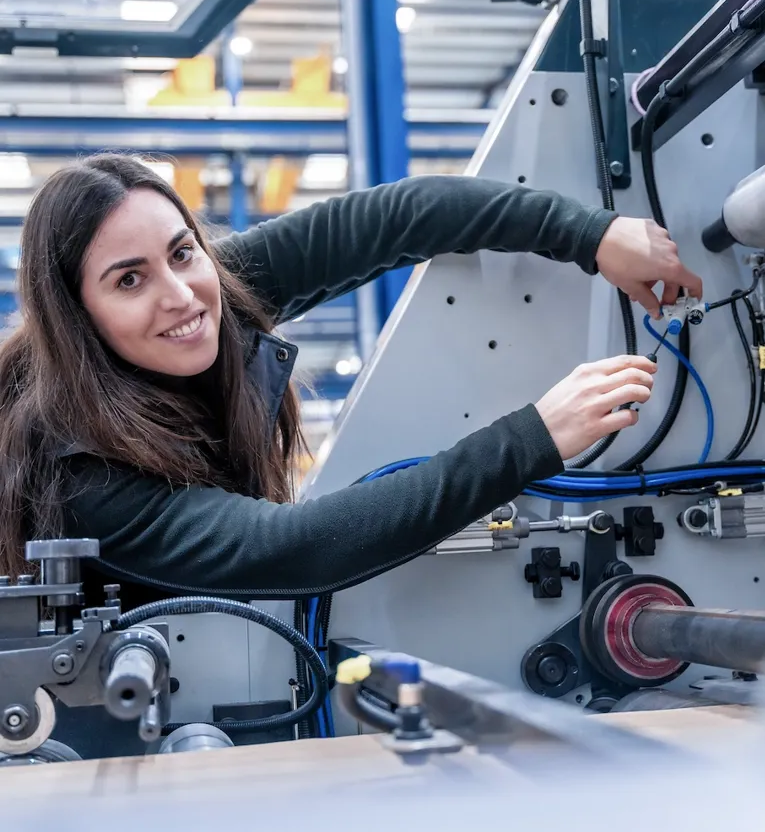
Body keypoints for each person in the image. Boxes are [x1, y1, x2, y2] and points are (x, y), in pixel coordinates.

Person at [0, 154, 702, 609]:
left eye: (183, 251)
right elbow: (293, 546)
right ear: (78, 316)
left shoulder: (212, 289)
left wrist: (589, 234)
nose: (180, 294)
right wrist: (533, 437)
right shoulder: (77, 475)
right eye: (129, 280)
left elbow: (387, 219)